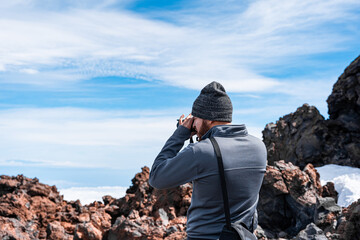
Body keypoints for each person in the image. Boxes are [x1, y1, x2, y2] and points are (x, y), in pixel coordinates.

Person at [149, 81, 267, 240]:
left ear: (209, 118)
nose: (194, 125)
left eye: (195, 119)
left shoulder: (202, 151)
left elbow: (157, 177)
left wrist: (180, 134)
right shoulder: (258, 147)